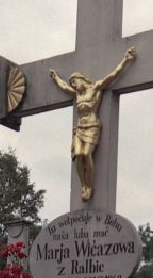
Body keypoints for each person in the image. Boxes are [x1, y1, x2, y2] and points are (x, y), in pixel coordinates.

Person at [50, 47, 136, 202]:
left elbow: (113, 75)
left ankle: (89, 186)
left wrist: (125, 60)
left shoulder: (95, 88)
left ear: (81, 79)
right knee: (78, 156)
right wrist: (56, 77)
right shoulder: (77, 94)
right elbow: (63, 86)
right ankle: (83, 185)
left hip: (92, 126)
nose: (74, 86)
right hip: (79, 128)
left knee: (86, 154)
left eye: (75, 82)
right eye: (73, 84)